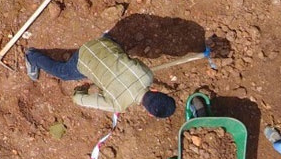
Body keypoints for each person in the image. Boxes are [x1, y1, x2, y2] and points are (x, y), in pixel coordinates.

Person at [23, 35, 177, 119]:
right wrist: (80, 89)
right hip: (84, 56)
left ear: (157, 90)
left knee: (119, 52)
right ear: (149, 113)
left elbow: (132, 61)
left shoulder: (147, 75)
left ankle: (107, 36)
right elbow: (79, 99)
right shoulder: (118, 104)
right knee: (62, 72)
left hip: (105, 44)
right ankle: (32, 57)